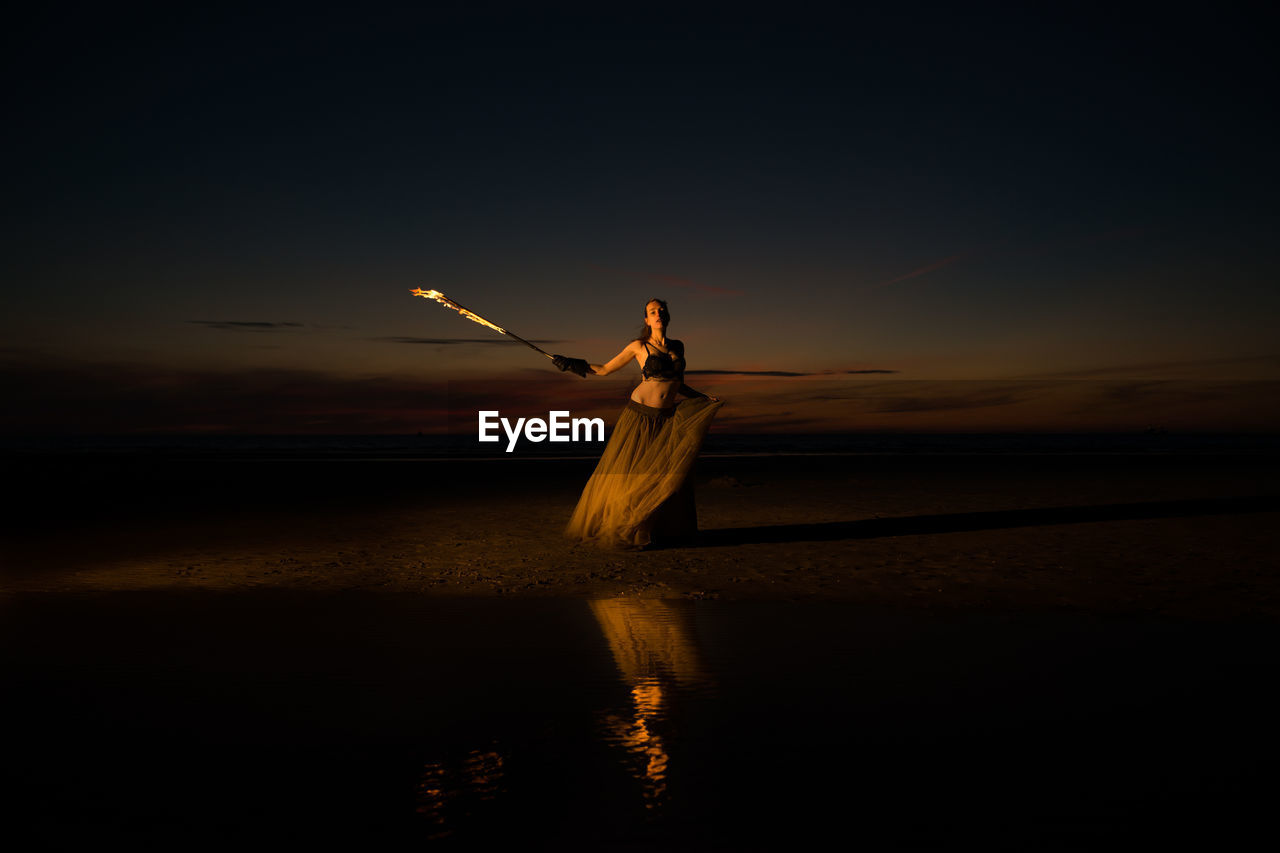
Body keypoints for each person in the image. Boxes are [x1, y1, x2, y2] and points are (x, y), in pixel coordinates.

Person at [553, 299, 722, 549]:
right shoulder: (639, 346)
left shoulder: (678, 347)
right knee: (630, 476)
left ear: (667, 316)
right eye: (652, 312)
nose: (658, 315)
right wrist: (572, 364)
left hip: (666, 419)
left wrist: (701, 397)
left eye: (661, 311)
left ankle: (654, 529)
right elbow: (604, 369)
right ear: (646, 320)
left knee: (662, 476)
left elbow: (678, 383)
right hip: (639, 416)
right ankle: (623, 527)